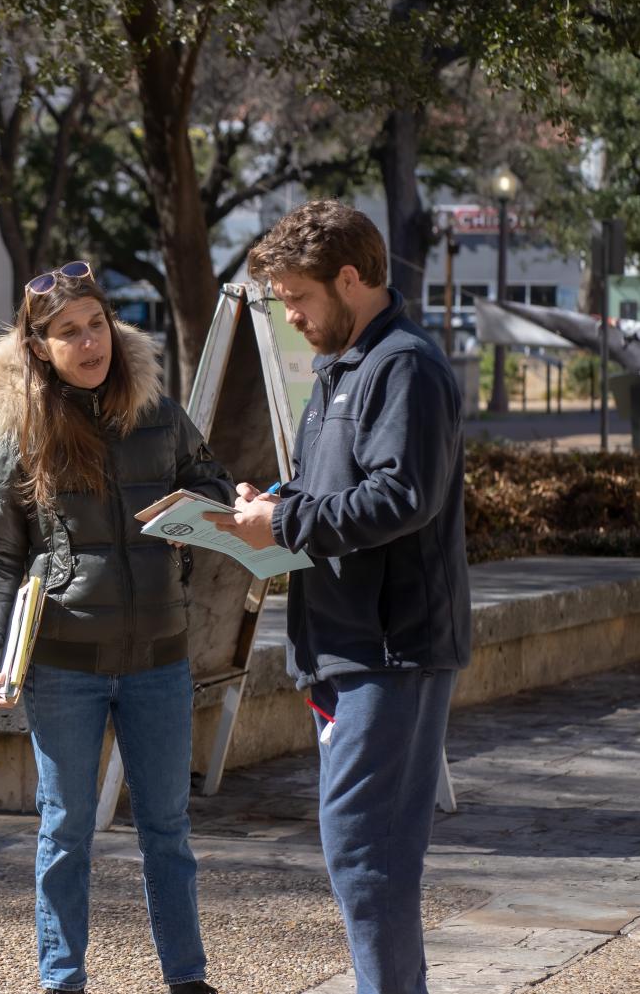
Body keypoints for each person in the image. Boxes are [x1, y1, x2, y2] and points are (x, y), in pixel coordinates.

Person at [207, 200, 471, 994]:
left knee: (365, 852)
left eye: (297, 298)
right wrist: (275, 498)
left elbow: (402, 497)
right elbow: (341, 487)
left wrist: (282, 517)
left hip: (389, 650)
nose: (288, 316)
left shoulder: (403, 367)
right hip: (344, 647)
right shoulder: (346, 366)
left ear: (349, 279)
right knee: (367, 854)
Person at [0, 260, 231, 994]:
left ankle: (187, 978)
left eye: (95, 324)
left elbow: (212, 484)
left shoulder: (160, 415)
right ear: (38, 347)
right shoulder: (17, 432)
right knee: (65, 830)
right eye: (67, 332)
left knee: (167, 830)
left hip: (159, 658)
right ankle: (61, 979)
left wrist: (198, 510)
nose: (87, 342)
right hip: (64, 664)